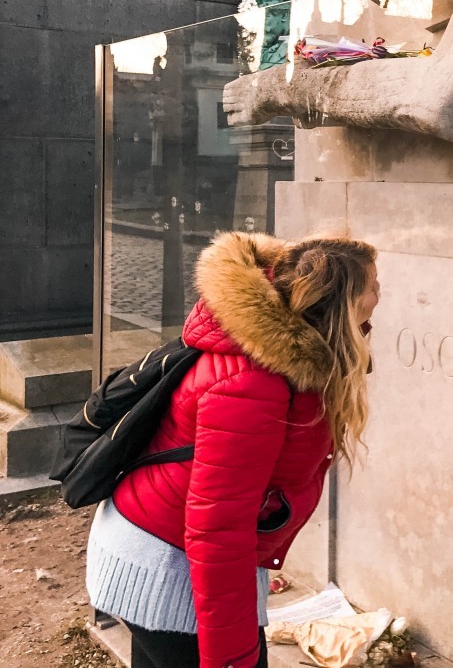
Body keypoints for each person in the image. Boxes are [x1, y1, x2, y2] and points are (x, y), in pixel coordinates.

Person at [85, 232, 380, 668]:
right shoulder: (253, 386)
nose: (380, 294)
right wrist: (233, 659)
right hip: (164, 571)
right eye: (373, 285)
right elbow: (218, 530)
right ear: (344, 302)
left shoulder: (288, 361)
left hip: (170, 555)